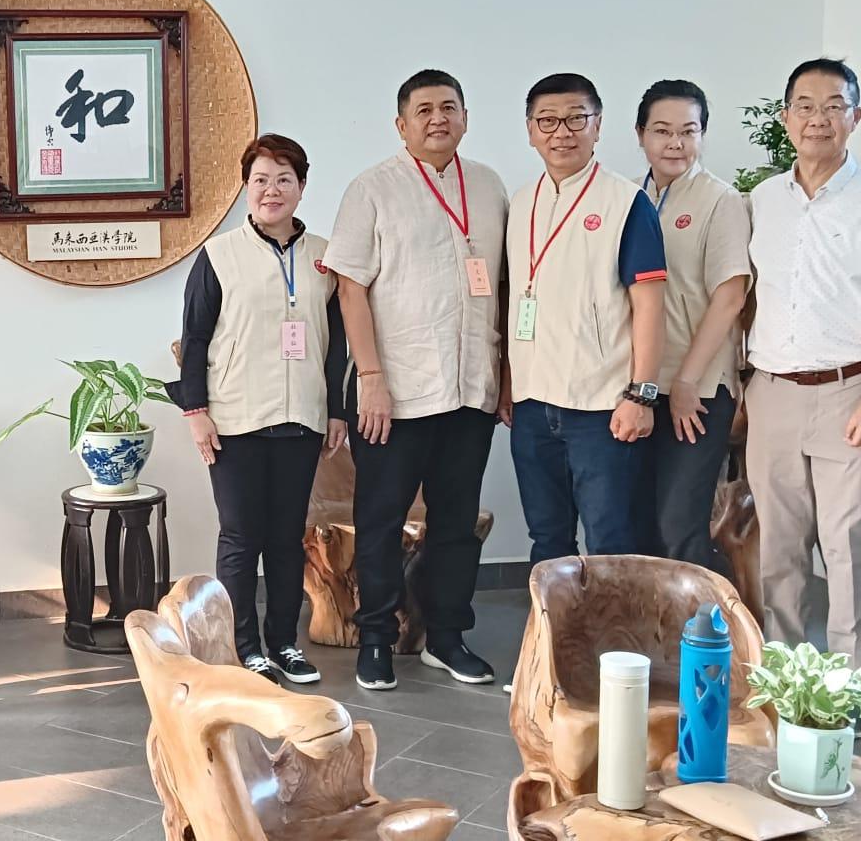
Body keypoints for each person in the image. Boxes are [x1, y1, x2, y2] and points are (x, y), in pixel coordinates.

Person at [746, 58, 861, 738]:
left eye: (834, 105)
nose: (819, 118)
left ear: (856, 117)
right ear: (786, 117)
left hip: (849, 389)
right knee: (778, 549)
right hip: (772, 391)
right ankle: (785, 681)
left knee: (849, 549)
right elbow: (750, 297)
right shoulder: (762, 199)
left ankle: (847, 690)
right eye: (805, 105)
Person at [325, 69, 510, 691]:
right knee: (381, 520)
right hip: (395, 392)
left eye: (449, 107)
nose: (438, 118)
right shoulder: (372, 188)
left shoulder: (488, 186)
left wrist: (503, 375)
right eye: (424, 109)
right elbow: (350, 289)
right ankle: (375, 638)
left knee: (455, 523)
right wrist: (370, 377)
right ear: (401, 124)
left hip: (471, 387)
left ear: (466, 117)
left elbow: (502, 287)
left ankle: (447, 637)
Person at [169, 134, 348, 684]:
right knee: (241, 537)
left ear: (301, 187)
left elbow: (336, 342)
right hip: (235, 419)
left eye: (284, 179)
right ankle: (243, 646)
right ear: (246, 187)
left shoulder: (324, 257)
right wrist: (196, 411)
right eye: (261, 180)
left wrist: (336, 410)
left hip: (301, 418)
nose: (272, 190)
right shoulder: (219, 255)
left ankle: (284, 644)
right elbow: (195, 338)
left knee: (287, 537)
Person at [504, 73, 668, 565]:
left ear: (598, 126)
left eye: (577, 119)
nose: (562, 132)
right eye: (548, 121)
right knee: (547, 541)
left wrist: (641, 395)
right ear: (530, 131)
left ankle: (613, 623)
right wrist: (509, 382)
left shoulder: (626, 203)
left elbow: (650, 305)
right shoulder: (520, 202)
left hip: (603, 407)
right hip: (532, 404)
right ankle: (551, 621)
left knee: (610, 542)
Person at [629, 81, 751, 571]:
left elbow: (730, 297)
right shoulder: (629, 198)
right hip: (637, 388)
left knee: (680, 524)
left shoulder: (720, 200)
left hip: (695, 391)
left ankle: (701, 621)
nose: (675, 143)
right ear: (640, 134)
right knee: (638, 522)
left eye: (689, 131)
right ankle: (646, 620)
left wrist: (685, 382)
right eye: (662, 131)